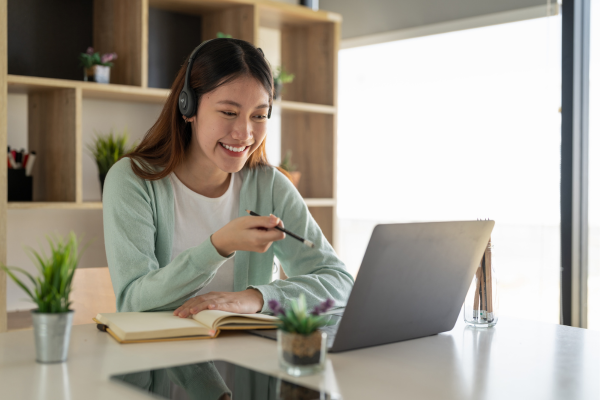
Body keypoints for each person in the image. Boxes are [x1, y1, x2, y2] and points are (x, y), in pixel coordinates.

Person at [102, 38, 354, 318]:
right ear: (188, 108)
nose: (245, 133)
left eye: (259, 116)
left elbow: (340, 283)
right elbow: (133, 302)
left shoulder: (269, 186)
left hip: (247, 357)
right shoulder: (132, 181)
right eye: (229, 113)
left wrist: (258, 298)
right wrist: (218, 246)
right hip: (162, 357)